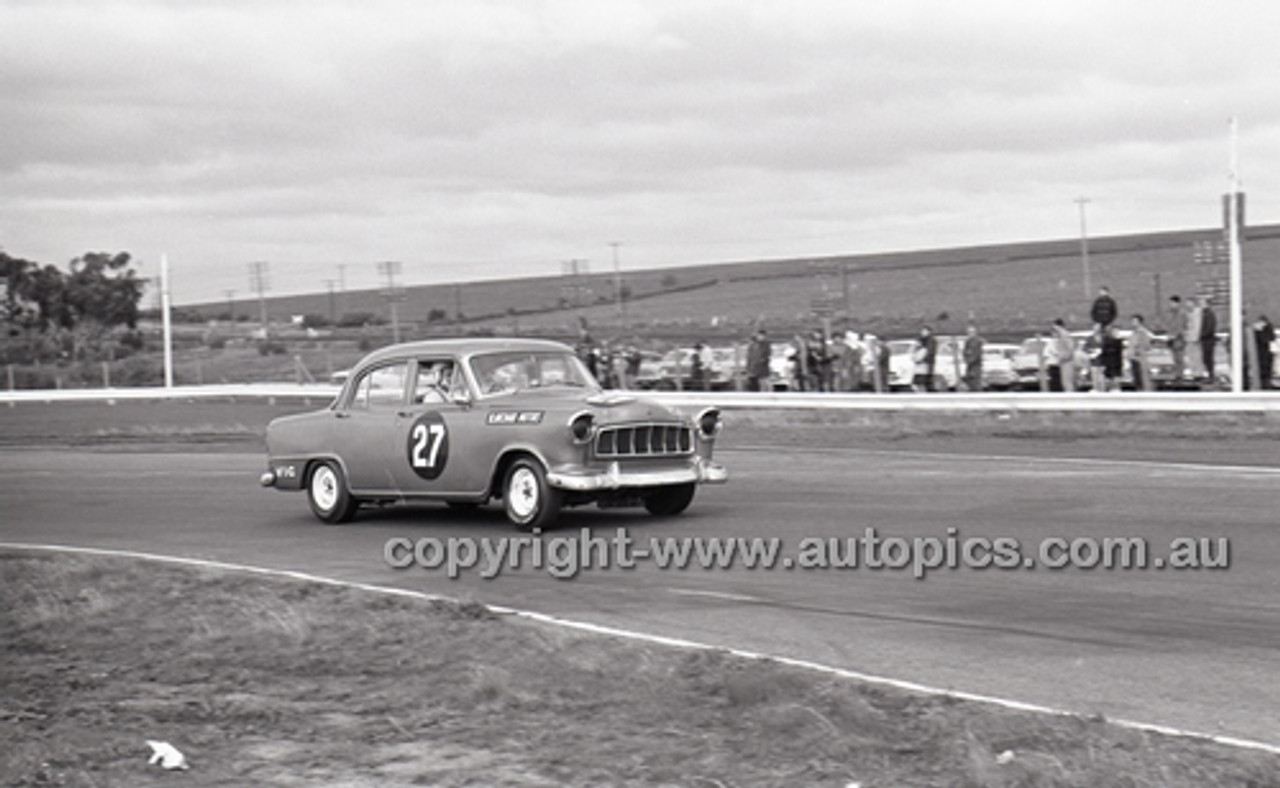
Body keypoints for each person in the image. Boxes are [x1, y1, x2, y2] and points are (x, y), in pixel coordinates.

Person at [1126, 314, 1154, 391]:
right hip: (1133, 358)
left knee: (1141, 377)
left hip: (1139, 359)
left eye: (1135, 321)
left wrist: (1138, 350)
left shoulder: (1142, 333)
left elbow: (1147, 346)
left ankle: (1143, 390)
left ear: (1140, 322)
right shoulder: (1133, 333)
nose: (1132, 323)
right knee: (1136, 378)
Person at [1050, 318, 1077, 392]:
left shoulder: (1065, 335)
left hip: (1067, 361)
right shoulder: (1060, 336)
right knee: (1065, 382)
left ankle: (1071, 397)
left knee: (1068, 382)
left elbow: (1070, 348)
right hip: (1063, 361)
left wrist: (1065, 356)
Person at [1166, 295, 1189, 380]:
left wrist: (1179, 335)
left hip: (1179, 338)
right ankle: (1177, 374)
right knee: (1175, 357)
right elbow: (1169, 326)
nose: (1171, 305)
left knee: (1180, 357)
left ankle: (1180, 374)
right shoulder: (1170, 313)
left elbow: (1183, 326)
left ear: (1178, 303)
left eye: (1172, 303)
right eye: (1170, 303)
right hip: (1171, 338)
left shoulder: (1182, 313)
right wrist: (1169, 336)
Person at [1099, 324, 1124, 391]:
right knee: (1109, 381)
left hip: (1117, 364)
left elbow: (1120, 354)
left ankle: (1116, 389)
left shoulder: (1119, 342)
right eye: (1114, 331)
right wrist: (1103, 364)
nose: (1116, 333)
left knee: (1116, 381)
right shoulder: (1106, 342)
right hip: (1109, 364)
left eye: (1117, 332)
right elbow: (1104, 353)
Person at [912, 325, 937, 392]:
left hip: (926, 363)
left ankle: (927, 392)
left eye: (924, 331)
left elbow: (929, 352)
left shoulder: (930, 340)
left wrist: (921, 358)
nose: (922, 332)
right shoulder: (920, 340)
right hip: (921, 364)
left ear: (929, 332)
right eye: (922, 331)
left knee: (924, 380)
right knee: (919, 380)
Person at [1199, 297, 1218, 383]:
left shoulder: (1209, 314)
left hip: (1208, 340)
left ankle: (1211, 375)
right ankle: (1209, 375)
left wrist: (1201, 335)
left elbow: (1209, 328)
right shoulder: (1204, 314)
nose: (1201, 305)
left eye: (1202, 303)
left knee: (1208, 358)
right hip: (1206, 339)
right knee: (1206, 358)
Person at [1254, 315, 1275, 390]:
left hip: (1262, 355)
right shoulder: (1268, 330)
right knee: (1266, 373)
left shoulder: (1259, 331)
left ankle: (1265, 385)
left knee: (1264, 373)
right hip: (1265, 355)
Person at [961, 325, 984, 392]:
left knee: (975, 382)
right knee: (970, 382)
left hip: (975, 365)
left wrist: (969, 360)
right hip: (969, 364)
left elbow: (976, 354)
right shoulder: (968, 341)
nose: (970, 334)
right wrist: (966, 359)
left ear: (975, 332)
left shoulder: (977, 341)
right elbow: (965, 352)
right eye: (968, 332)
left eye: (971, 332)